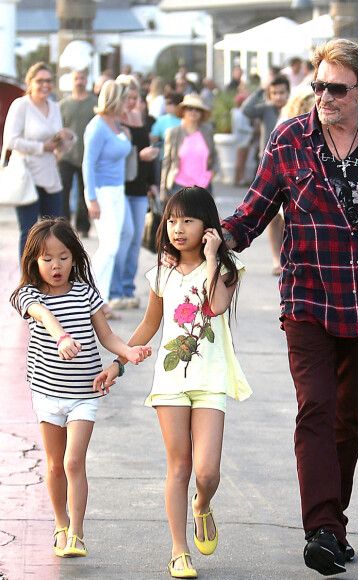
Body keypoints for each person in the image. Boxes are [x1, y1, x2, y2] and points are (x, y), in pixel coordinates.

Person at [222, 39, 358, 576]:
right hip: (307, 297)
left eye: (336, 88)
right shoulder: (290, 138)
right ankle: (320, 529)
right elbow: (253, 211)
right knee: (315, 408)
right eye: (318, 86)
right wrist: (212, 238)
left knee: (348, 418)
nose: (323, 96)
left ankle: (332, 522)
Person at [93, 187, 251, 578]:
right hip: (170, 381)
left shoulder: (227, 269)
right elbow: (149, 324)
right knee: (179, 468)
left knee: (207, 473)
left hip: (210, 379)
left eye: (189, 221)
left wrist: (213, 257)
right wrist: (119, 362)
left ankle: (202, 506)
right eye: (173, 221)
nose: (178, 229)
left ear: (208, 228)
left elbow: (214, 306)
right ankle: (180, 551)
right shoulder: (161, 272)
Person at [9, 218, 151, 560]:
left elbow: (106, 336)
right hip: (46, 393)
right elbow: (42, 315)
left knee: (74, 462)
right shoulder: (29, 295)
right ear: (34, 262)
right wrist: (60, 336)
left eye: (63, 256)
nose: (56, 265)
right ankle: (61, 523)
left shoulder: (86, 293)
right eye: (47, 258)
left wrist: (126, 352)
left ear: (75, 257)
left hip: (83, 394)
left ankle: (77, 532)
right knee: (55, 464)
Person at [3, 62, 75, 257]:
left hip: (50, 176)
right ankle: (27, 281)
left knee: (54, 231)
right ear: (30, 82)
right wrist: (41, 147)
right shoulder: (21, 105)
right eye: (40, 80)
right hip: (27, 176)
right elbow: (10, 140)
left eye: (49, 81)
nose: (45, 85)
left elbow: (58, 146)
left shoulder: (54, 106)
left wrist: (66, 138)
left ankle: (48, 276)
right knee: (28, 232)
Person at [82, 79, 132, 319]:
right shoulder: (97, 127)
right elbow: (88, 164)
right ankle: (90, 294)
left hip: (117, 191)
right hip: (101, 191)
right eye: (125, 99)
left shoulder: (117, 125)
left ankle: (100, 300)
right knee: (109, 246)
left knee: (113, 246)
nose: (128, 104)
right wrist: (91, 197)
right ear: (115, 99)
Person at [108, 75, 159, 311]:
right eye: (126, 98)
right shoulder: (115, 121)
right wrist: (139, 156)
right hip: (120, 187)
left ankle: (128, 288)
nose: (130, 102)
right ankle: (115, 289)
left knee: (136, 239)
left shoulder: (142, 119)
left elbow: (147, 153)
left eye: (134, 98)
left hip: (139, 188)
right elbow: (115, 155)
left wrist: (152, 183)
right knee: (122, 238)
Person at [240, 75, 290, 275]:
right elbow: (246, 109)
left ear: (288, 92)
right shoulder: (266, 110)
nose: (279, 97)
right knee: (272, 217)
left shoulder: (296, 109)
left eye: (282, 93)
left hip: (289, 167)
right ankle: (276, 258)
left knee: (289, 216)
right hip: (268, 167)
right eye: (274, 93)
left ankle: (288, 256)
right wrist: (260, 90)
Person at [59, 69, 98, 238]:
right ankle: (63, 226)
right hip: (66, 156)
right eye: (76, 78)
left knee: (84, 192)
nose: (79, 81)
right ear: (72, 81)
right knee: (63, 191)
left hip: (87, 156)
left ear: (86, 79)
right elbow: (58, 129)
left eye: (82, 78)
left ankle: (83, 227)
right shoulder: (64, 105)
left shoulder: (94, 103)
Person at [160, 93, 219, 201]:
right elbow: (167, 162)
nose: (193, 112)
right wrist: (163, 190)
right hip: (179, 186)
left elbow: (214, 154)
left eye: (197, 109)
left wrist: (212, 173)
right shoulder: (174, 133)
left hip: (203, 186)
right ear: (183, 111)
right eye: (190, 108)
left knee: (202, 217)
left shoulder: (207, 131)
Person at [231, 92, 254, 185]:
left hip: (243, 139)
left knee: (242, 159)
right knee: (241, 159)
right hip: (242, 139)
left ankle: (239, 178)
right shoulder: (239, 113)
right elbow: (240, 126)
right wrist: (252, 130)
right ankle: (239, 179)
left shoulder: (238, 112)